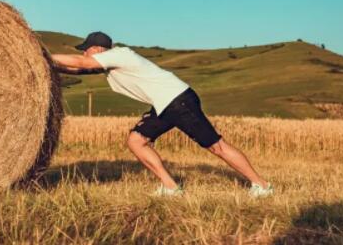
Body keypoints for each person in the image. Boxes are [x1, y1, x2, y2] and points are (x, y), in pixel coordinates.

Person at [51, 31, 274, 197]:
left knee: (216, 146)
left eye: (86, 48)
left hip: (178, 100)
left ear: (98, 49)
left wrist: (43, 53)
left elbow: (81, 62)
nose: (83, 52)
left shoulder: (120, 55)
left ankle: (261, 185)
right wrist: (47, 64)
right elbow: (78, 68)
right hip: (165, 104)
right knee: (136, 141)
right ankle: (171, 187)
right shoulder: (110, 64)